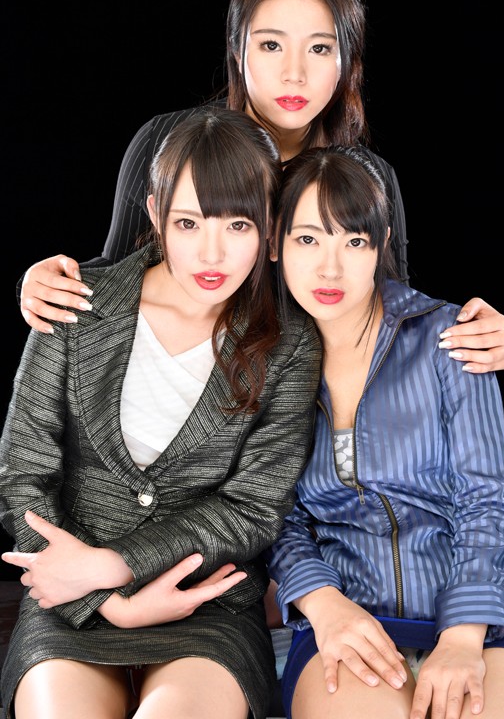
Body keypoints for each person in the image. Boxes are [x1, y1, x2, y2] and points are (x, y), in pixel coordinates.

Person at [17, 0, 504, 375]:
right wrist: (44, 283)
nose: (294, 73)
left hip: (304, 417)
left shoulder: (368, 177)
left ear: (347, 60)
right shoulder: (166, 141)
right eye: (271, 44)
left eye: (320, 49)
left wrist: (476, 331)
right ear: (238, 49)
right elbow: (118, 276)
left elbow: (391, 319)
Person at [0, 106, 322, 719]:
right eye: (188, 222)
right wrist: (103, 597)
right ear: (155, 215)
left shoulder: (289, 342)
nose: (211, 252)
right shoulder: (75, 305)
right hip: (71, 599)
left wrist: (118, 564)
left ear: (271, 226)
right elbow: (24, 475)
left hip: (204, 604)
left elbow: (253, 506)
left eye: (238, 225)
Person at [265, 144, 504, 719]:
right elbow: (275, 518)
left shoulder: (449, 336)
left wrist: (461, 636)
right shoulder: (264, 363)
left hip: (479, 610)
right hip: (347, 612)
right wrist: (324, 605)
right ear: (275, 243)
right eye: (308, 239)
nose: (330, 268)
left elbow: (487, 498)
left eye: (354, 242)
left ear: (382, 244)